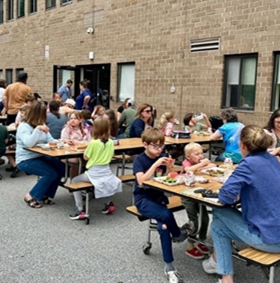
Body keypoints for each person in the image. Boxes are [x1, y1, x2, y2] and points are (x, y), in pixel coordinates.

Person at [202, 125, 280, 282]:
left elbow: (225, 197)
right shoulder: (272, 159)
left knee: (218, 211)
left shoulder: (248, 164)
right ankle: (225, 276)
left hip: (272, 240)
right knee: (218, 228)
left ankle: (218, 263)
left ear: (242, 145)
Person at [133, 128, 193, 283]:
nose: (159, 150)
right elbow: (141, 181)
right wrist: (156, 164)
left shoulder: (162, 156)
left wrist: (170, 168)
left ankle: (169, 266)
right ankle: (179, 234)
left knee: (163, 227)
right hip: (143, 199)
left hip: (158, 198)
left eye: (161, 146)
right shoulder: (139, 160)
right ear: (145, 144)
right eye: (156, 146)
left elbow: (166, 178)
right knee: (166, 215)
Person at [69, 117, 123, 220]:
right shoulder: (111, 142)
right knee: (103, 183)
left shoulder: (93, 142)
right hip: (107, 172)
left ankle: (80, 208)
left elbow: (86, 157)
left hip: (94, 173)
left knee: (74, 181)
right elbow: (111, 156)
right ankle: (108, 203)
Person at [16, 102, 65, 208]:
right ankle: (31, 196)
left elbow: (50, 140)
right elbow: (28, 143)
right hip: (25, 159)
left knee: (61, 168)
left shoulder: (42, 125)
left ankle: (46, 195)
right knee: (50, 173)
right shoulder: (24, 126)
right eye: (45, 113)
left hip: (40, 156)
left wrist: (63, 141)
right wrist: (38, 129)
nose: (47, 115)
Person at [181, 143, 214, 259]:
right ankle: (190, 246)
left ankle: (202, 240)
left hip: (199, 194)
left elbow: (213, 165)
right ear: (188, 156)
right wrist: (202, 164)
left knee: (205, 218)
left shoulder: (198, 163)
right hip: (187, 195)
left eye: (201, 153)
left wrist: (203, 165)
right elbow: (188, 170)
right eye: (197, 154)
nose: (200, 155)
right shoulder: (187, 163)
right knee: (194, 222)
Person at [61, 111, 92, 179]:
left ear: (81, 120)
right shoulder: (66, 129)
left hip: (83, 152)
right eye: (71, 118)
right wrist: (66, 141)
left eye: (75, 118)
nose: (72, 120)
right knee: (78, 160)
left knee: (92, 159)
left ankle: (88, 179)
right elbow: (63, 140)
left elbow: (90, 141)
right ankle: (74, 181)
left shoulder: (85, 129)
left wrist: (80, 143)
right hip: (69, 154)